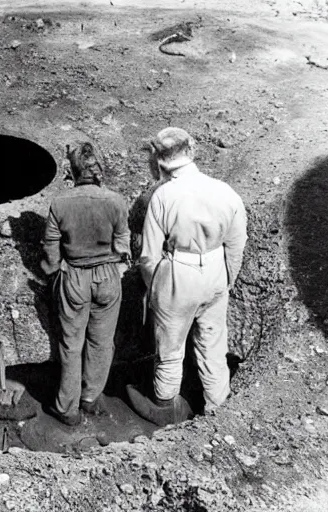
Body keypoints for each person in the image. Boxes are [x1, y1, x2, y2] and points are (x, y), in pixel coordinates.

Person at [127, 127, 247, 426]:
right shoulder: (225, 191)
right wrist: (226, 282)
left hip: (179, 272)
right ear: (190, 151)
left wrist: (156, 291)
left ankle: (166, 406)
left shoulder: (163, 196)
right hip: (216, 268)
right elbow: (236, 246)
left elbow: (149, 255)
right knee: (213, 346)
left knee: (169, 347)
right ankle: (218, 409)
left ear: (159, 160)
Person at [41, 141, 131, 426]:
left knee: (71, 344)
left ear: (72, 171)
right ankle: (91, 398)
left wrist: (53, 270)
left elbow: (51, 246)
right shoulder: (116, 201)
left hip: (75, 277)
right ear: (99, 170)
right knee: (102, 343)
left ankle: (67, 408)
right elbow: (122, 245)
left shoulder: (60, 203)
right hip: (107, 276)